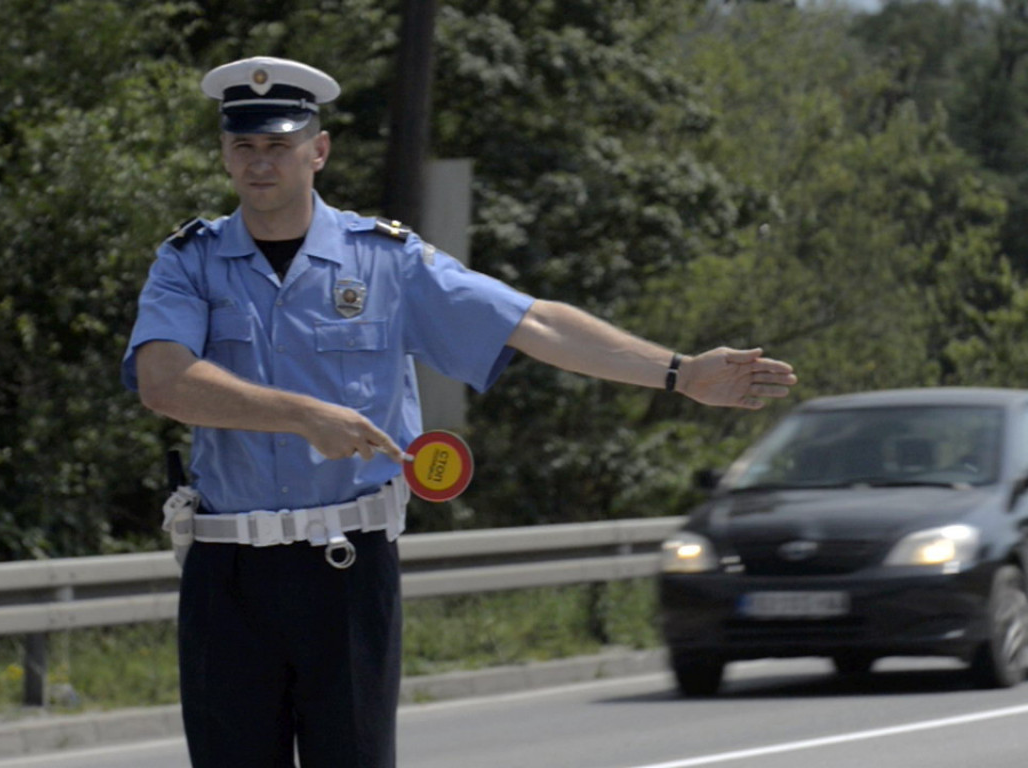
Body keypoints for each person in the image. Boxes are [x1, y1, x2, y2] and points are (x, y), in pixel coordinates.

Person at [122, 55, 797, 768]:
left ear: (317, 151)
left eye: (279, 146)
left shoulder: (384, 261)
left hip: (345, 569)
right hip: (228, 575)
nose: (261, 165)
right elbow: (164, 381)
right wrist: (303, 415)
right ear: (225, 154)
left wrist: (677, 371)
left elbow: (534, 324)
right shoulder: (188, 262)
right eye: (244, 147)